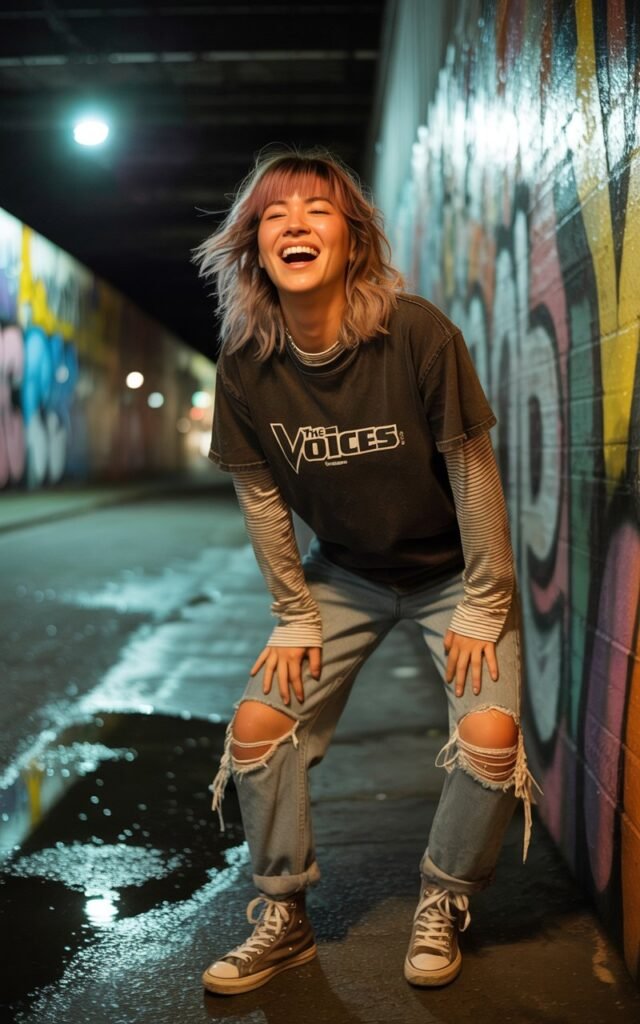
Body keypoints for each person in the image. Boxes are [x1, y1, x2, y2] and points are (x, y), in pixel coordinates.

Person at [194, 148, 539, 996]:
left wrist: (485, 604)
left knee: (490, 739)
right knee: (256, 726)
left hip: (454, 575)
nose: (296, 225)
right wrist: (295, 614)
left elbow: (473, 472)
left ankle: (444, 899)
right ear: (253, 245)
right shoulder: (245, 363)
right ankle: (284, 917)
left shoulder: (417, 333)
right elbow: (264, 500)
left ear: (353, 240)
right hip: (343, 575)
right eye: (275, 214)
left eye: (318, 210)